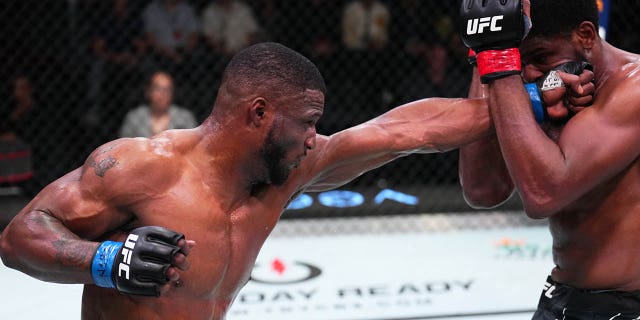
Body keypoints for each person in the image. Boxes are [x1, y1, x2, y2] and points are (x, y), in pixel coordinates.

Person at [0, 42, 578, 319]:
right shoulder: (142, 167)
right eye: (305, 122)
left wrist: (525, 96)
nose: (313, 137)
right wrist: (104, 260)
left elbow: (405, 129)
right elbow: (19, 237)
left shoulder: (289, 172)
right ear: (257, 115)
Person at [458, 0, 640, 318]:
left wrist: (501, 63)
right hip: (562, 295)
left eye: (540, 57)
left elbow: (544, 194)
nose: (527, 73)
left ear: (585, 36)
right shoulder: (548, 86)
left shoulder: (633, 90)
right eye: (520, 61)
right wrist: (484, 54)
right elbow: (483, 189)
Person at [119, 71, 197, 138]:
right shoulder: (134, 117)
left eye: (167, 90)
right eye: (157, 89)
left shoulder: (184, 118)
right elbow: (125, 148)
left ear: (173, 94)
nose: (162, 94)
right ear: (148, 92)